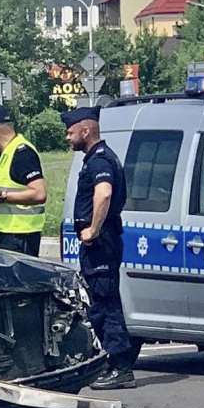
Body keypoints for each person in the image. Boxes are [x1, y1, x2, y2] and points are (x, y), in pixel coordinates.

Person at [63, 105, 136, 390]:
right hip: (99, 242)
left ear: (86, 130)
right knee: (99, 302)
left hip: (101, 242)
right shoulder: (96, 158)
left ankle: (120, 366)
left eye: (70, 132)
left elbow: (104, 193)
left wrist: (93, 229)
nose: (68, 138)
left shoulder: (100, 161)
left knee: (106, 304)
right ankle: (109, 361)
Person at [0, 101, 47, 256]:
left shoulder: (22, 153)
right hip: (2, 235)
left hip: (20, 238)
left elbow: (39, 194)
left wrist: (0, 197)